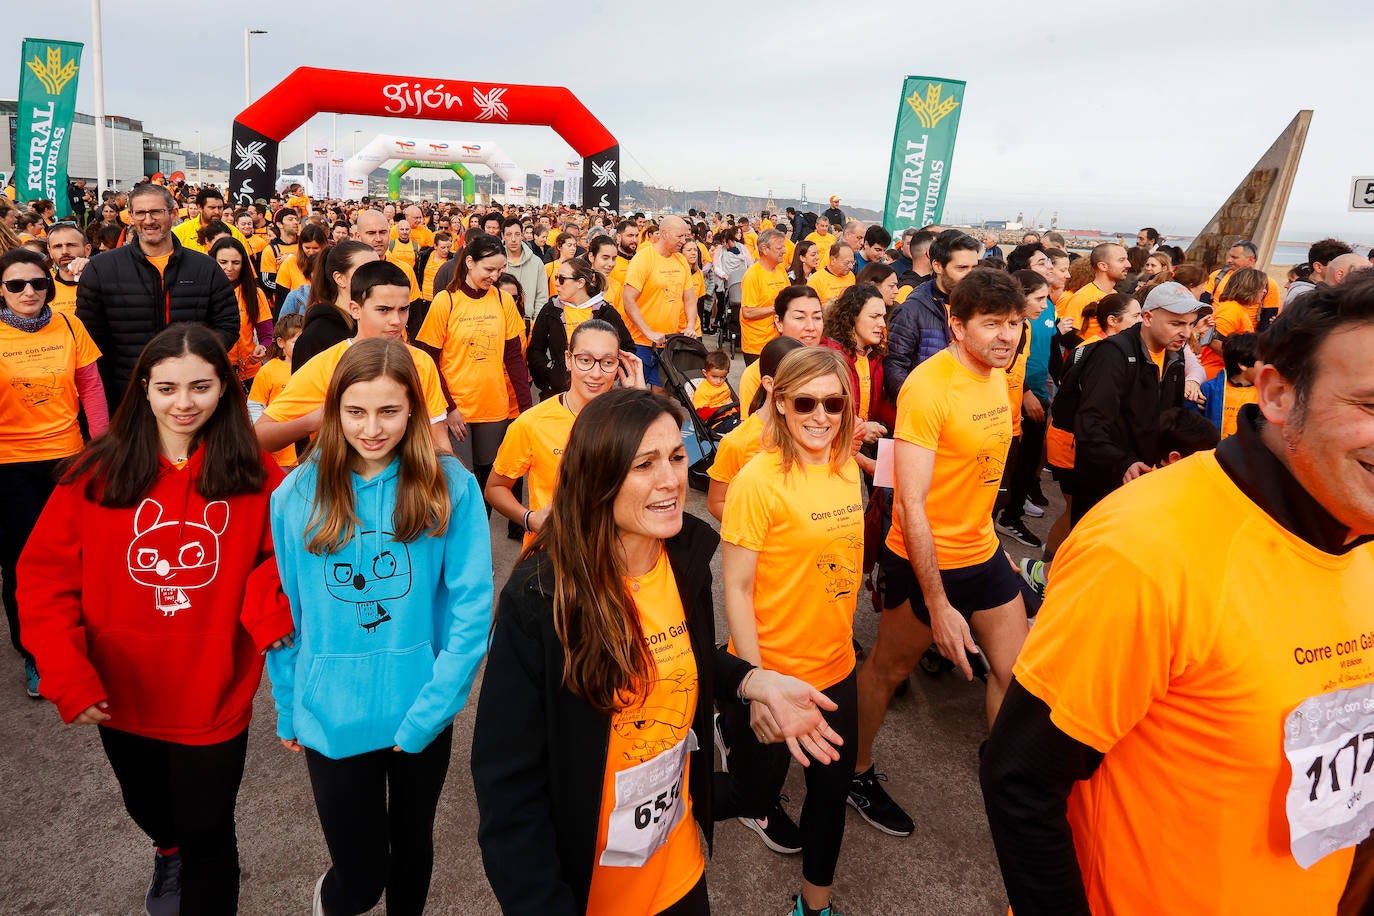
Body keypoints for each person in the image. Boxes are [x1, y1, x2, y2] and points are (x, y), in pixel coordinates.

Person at [982, 275, 1374, 915]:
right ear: (1276, 393)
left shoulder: (1358, 528)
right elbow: (1022, 777)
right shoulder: (1146, 551)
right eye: (1370, 405)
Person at [472, 387, 842, 916]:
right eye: (645, 464)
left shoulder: (685, 555)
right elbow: (507, 782)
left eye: (675, 456)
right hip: (590, 893)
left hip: (680, 869)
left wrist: (753, 681)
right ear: (599, 475)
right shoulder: (542, 595)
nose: (672, 480)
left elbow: (674, 654)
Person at [18, 323, 291, 915]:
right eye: (168, 388)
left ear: (225, 389)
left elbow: (284, 561)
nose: (184, 403)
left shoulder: (258, 473)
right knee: (149, 807)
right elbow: (44, 581)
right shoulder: (94, 473)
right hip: (121, 690)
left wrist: (268, 618)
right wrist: (65, 670)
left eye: (201, 386)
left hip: (212, 689)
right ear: (143, 388)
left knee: (210, 831)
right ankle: (166, 849)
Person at [267, 338, 492, 916]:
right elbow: (285, 610)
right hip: (331, 714)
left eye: (389, 411)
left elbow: (471, 610)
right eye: (356, 411)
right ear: (334, 410)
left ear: (414, 410)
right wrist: (290, 701)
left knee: (412, 849)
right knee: (362, 875)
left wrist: (437, 705)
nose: (372, 428)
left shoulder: (451, 487)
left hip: (421, 707)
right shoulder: (296, 494)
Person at [849, 267, 1031, 838]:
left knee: (1015, 671)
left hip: (982, 550)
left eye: (1014, 324)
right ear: (956, 324)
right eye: (992, 324)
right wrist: (940, 601)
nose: (1006, 336)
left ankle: (1004, 775)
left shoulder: (997, 375)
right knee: (886, 670)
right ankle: (855, 771)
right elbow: (911, 504)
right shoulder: (930, 387)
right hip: (924, 558)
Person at [715, 348, 862, 916]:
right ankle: (661, 794)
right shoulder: (758, 480)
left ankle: (814, 907)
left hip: (836, 670)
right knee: (752, 794)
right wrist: (756, 684)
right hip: (773, 671)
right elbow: (736, 589)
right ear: (780, 403)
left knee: (829, 796)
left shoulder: (848, 464)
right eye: (806, 402)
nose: (820, 415)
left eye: (833, 402)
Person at [0, 248, 108, 697]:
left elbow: (91, 386)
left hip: (68, 455)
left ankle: (77, 644)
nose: (29, 292)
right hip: (8, 464)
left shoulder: (69, 324)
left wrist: (101, 448)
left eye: (38, 283)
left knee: (79, 556)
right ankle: (36, 654)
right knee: (22, 562)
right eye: (16, 284)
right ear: (1, 289)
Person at [255, 261, 450, 457]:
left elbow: (438, 436)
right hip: (342, 483)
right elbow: (262, 435)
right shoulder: (326, 365)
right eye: (383, 310)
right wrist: (313, 421)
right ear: (355, 309)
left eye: (403, 309)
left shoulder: (421, 362)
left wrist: (454, 479)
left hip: (407, 483)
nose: (396, 321)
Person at [76, 184, 238, 409]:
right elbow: (89, 338)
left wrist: (194, 359)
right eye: (141, 213)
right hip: (126, 395)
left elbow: (228, 325)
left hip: (188, 396)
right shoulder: (102, 269)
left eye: (156, 212)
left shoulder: (205, 268)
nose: (148, 220)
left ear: (172, 214)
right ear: (131, 216)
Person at [488, 319, 646, 548]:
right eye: (585, 360)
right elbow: (495, 488)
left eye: (608, 362)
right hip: (552, 556)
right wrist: (530, 519)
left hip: (615, 555)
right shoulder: (532, 423)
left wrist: (639, 405)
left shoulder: (629, 418)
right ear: (568, 360)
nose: (596, 373)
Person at [1072, 281, 1196, 524]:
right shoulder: (1113, 353)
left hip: (1146, 476)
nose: (1187, 333)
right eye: (1177, 323)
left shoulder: (1174, 355)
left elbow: (1171, 413)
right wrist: (1124, 463)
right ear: (1147, 317)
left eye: (1191, 324)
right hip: (1107, 478)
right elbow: (1090, 423)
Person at [415, 234, 532, 484]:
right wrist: (449, 408)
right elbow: (428, 361)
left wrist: (525, 410)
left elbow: (514, 360)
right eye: (489, 269)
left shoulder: (503, 301)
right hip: (458, 411)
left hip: (494, 409)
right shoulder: (445, 301)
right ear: (469, 262)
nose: (495, 276)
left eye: (500, 270)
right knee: (460, 479)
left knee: (491, 479)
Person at [882, 230, 981, 402]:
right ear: (937, 266)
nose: (970, 275)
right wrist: (919, 404)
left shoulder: (980, 307)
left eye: (974, 267)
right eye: (962, 268)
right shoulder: (912, 310)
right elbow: (895, 366)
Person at [527, 256, 636, 399]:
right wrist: (550, 373)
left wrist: (607, 373)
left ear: (580, 283)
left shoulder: (605, 312)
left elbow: (627, 349)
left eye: (561, 279)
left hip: (596, 396)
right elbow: (535, 350)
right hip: (558, 393)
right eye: (555, 278)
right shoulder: (551, 309)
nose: (556, 284)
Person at [621, 216, 700, 388]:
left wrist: (691, 325)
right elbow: (628, 299)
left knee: (661, 393)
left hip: (668, 342)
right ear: (664, 234)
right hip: (639, 342)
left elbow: (689, 299)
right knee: (635, 394)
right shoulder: (644, 258)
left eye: (685, 236)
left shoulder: (681, 262)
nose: (683, 241)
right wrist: (647, 331)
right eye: (679, 236)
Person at [822, 283, 889, 471]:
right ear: (852, 317)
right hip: (835, 451)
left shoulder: (873, 354)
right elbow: (823, 413)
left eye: (883, 316)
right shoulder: (830, 356)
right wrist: (860, 429)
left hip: (863, 443)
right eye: (874, 316)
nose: (882, 324)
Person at [739, 286, 826, 419]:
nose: (811, 327)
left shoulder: (829, 366)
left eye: (817, 317)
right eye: (799, 318)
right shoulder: (756, 374)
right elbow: (752, 433)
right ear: (778, 322)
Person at [291, 241, 377, 371]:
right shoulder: (315, 337)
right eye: (365, 271)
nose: (378, 277)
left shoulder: (376, 323)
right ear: (340, 278)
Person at [209, 238, 274, 390]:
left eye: (236, 263)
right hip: (215, 369)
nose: (229, 268)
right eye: (223, 262)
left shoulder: (255, 294)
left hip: (249, 371)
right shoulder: (203, 294)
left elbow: (267, 335)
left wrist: (263, 348)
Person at [246, 312, 304, 468]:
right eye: (295, 341)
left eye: (304, 341)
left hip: (307, 452)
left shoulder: (312, 366)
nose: (301, 346)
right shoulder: (269, 370)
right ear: (281, 342)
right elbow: (255, 404)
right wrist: (262, 435)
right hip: (278, 454)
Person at [1198, 266, 1261, 378]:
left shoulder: (1237, 309)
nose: (1264, 291)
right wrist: (1242, 361)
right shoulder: (1231, 310)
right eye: (1261, 287)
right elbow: (1214, 341)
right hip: (1216, 374)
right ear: (1251, 288)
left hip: (1222, 374)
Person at [739, 229, 791, 365]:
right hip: (757, 345)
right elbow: (747, 312)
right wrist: (775, 308)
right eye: (779, 248)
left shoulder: (780, 270)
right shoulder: (752, 275)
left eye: (784, 247)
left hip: (778, 341)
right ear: (764, 249)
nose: (784, 251)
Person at [1197, 330, 1258, 440]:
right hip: (1216, 454)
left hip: (1252, 454)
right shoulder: (1209, 390)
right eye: (1264, 362)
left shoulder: (1266, 392)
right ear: (1243, 364)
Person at [1060, 242, 1130, 331]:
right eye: (1121, 260)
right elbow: (1068, 335)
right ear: (1103, 266)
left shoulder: (1115, 295)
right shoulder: (1082, 297)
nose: (1128, 265)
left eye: (1127, 259)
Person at [500, 216, 551, 320]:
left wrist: (536, 323)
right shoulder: (496, 262)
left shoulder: (536, 262)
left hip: (528, 320)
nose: (513, 239)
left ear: (522, 235)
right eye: (509, 235)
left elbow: (541, 297)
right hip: (500, 320)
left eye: (517, 234)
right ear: (503, 236)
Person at [171, 188, 248, 253]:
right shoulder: (180, 233)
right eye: (212, 208)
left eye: (220, 207)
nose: (217, 212)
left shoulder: (235, 233)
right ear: (199, 207)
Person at [46, 222, 91, 314]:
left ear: (87, 250)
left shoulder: (104, 277)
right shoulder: (42, 282)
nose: (64, 251)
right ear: (50, 252)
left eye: (71, 245)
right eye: (57, 246)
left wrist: (93, 266)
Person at [691, 348, 738, 434]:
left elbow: (730, 400)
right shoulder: (703, 391)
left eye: (723, 377)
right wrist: (722, 408)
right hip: (717, 422)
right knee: (741, 428)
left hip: (731, 415)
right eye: (714, 377)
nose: (718, 381)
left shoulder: (723, 385)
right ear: (705, 373)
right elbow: (702, 413)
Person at [807, 243, 856, 307]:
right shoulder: (815, 280)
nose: (851, 267)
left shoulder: (851, 276)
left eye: (852, 262)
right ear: (833, 260)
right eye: (846, 263)